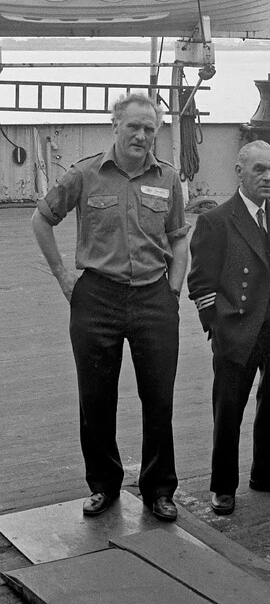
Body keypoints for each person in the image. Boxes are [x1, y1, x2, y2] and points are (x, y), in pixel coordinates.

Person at [32, 93, 190, 521]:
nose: (142, 135)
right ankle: (103, 484)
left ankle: (159, 488)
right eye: (134, 126)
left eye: (150, 129)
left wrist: (173, 290)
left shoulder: (169, 178)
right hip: (97, 298)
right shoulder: (84, 174)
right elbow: (41, 219)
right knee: (96, 398)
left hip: (154, 298)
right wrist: (64, 277)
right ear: (115, 126)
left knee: (159, 398)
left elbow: (178, 236)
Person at [187, 140, 270, 516]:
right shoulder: (217, 220)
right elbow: (199, 284)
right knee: (228, 411)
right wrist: (218, 327)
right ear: (240, 171)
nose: (268, 177)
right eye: (260, 170)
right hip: (239, 329)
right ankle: (223, 486)